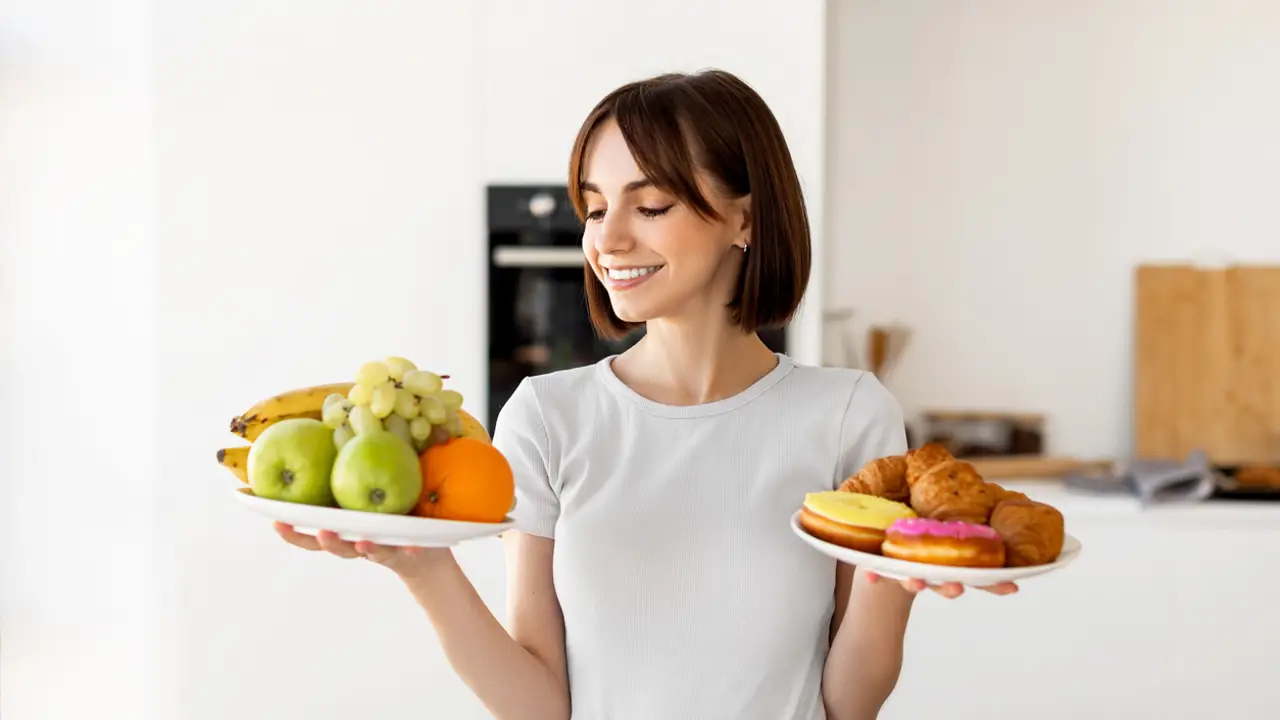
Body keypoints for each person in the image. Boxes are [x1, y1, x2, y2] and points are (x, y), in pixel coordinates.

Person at [274, 68, 1017, 720]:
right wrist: (423, 568)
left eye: (650, 205)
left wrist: (897, 576)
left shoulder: (849, 415)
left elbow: (848, 706)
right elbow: (539, 706)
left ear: (745, 219)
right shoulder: (547, 415)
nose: (608, 240)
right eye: (595, 208)